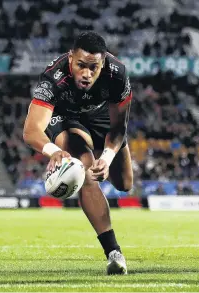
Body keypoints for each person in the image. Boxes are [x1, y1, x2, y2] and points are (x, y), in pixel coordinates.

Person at [23, 31, 133, 275]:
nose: (86, 74)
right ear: (71, 58)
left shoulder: (117, 75)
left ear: (103, 63)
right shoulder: (54, 78)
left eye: (93, 67)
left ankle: (102, 161)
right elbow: (31, 131)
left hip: (102, 116)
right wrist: (53, 151)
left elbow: (118, 128)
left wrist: (106, 158)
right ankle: (113, 252)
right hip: (66, 116)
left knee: (124, 183)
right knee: (83, 167)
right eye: (81, 65)